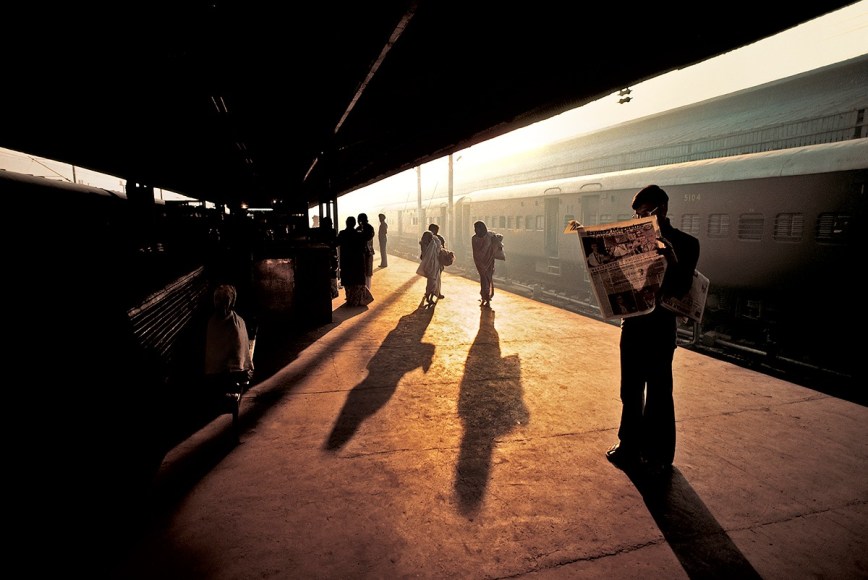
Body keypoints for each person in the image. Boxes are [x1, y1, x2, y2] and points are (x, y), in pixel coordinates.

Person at [605, 185, 700, 476]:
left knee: (659, 390)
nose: (640, 219)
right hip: (633, 324)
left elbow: (682, 288)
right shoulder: (630, 241)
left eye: (646, 212)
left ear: (663, 210)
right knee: (630, 388)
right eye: (637, 214)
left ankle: (659, 452)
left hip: (660, 327)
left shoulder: (686, 243)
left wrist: (670, 258)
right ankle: (628, 445)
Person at [204, 284, 254, 394]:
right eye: (216, 300)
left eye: (220, 301)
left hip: (225, 373)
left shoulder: (232, 323)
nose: (217, 304)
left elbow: (237, 356)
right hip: (224, 375)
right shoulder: (217, 322)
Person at [336, 216, 370, 306]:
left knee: (348, 283)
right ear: (355, 224)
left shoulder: (342, 234)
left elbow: (336, 242)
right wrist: (364, 224)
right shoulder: (359, 234)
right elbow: (368, 236)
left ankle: (350, 300)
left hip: (346, 262)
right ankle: (357, 300)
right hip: (357, 262)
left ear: (346, 223)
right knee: (357, 282)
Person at [471, 220, 502, 308]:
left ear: (482, 228)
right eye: (475, 228)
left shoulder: (489, 236)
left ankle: (486, 297)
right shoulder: (474, 238)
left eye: (477, 228)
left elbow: (498, 241)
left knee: (487, 279)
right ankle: (485, 297)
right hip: (480, 262)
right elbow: (475, 251)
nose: (476, 230)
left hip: (489, 262)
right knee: (484, 279)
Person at [416, 229, 442, 305]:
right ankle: (428, 296)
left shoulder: (431, 243)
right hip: (430, 266)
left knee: (433, 282)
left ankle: (430, 297)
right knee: (432, 282)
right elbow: (427, 254)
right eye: (429, 237)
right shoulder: (427, 244)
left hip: (433, 265)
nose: (431, 238)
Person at [357, 213, 376, 290]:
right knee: (367, 273)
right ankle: (367, 289)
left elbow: (367, 237)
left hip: (366, 253)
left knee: (366, 273)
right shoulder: (370, 228)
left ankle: (365, 290)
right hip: (368, 252)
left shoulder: (362, 228)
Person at [428, 223, 446, 299]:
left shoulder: (428, 238)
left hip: (436, 260)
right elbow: (443, 249)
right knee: (436, 278)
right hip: (435, 260)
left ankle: (431, 292)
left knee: (433, 278)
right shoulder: (438, 238)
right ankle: (435, 292)